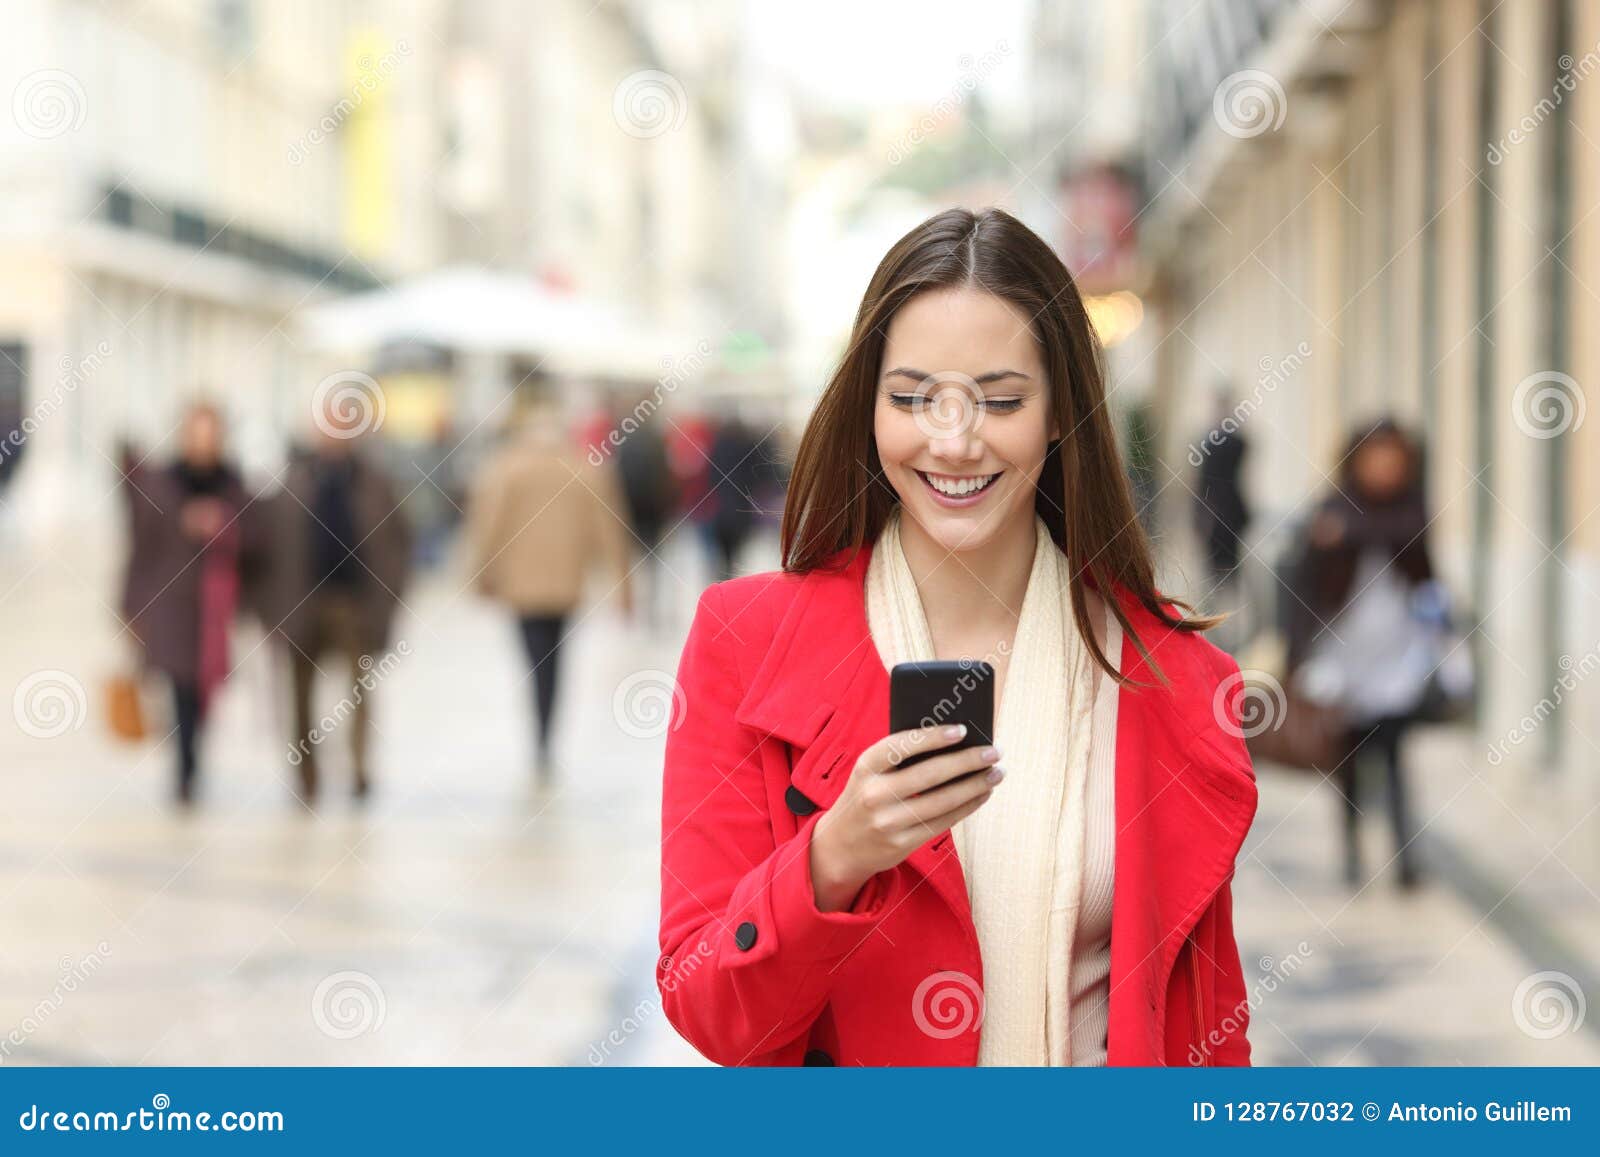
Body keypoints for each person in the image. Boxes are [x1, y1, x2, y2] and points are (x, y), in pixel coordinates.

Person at [656, 207, 1258, 1067]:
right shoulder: (743, 640)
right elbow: (708, 1006)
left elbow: (1209, 1028)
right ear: (868, 407)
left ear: (1060, 414)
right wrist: (836, 855)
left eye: (1002, 399)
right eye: (910, 397)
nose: (953, 438)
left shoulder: (1175, 678)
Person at [1285, 418, 1436, 891]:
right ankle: (1352, 854)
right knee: (1346, 760)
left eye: (1393, 458)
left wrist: (1346, 530)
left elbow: (1420, 557)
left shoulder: (1410, 509)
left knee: (1393, 757)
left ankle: (1405, 858)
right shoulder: (1331, 507)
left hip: (1398, 656)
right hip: (1343, 657)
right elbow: (1302, 582)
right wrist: (1296, 654)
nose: (1384, 468)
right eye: (1375, 457)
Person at [249, 395, 411, 805]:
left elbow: (399, 542)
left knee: (360, 691)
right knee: (299, 694)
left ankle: (359, 768)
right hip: (304, 601)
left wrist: (389, 596)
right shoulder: (292, 479)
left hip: (355, 602)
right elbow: (265, 547)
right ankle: (306, 775)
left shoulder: (375, 481)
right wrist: (270, 607)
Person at [462, 395, 633, 782]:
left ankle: (539, 734)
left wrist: (480, 575)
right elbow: (610, 531)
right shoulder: (585, 469)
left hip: (521, 587)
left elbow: (488, 526)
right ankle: (546, 733)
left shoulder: (506, 469)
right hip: (566, 584)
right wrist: (623, 585)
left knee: (532, 658)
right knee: (555, 660)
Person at [118, 402, 252, 806]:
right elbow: (140, 548)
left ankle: (193, 759)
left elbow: (259, 540)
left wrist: (223, 522)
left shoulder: (233, 483)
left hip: (215, 610)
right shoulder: (160, 483)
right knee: (179, 687)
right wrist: (129, 606)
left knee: (205, 689)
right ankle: (184, 771)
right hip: (171, 607)